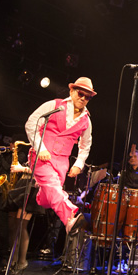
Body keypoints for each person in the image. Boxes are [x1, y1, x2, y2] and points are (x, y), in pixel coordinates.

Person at [25, 77, 95, 236]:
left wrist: (78, 164)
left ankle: (41, 194)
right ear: (72, 91)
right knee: (52, 186)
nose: (83, 98)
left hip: (62, 162)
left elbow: (86, 145)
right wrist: (40, 148)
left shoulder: (86, 120)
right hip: (41, 157)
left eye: (87, 97)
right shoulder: (54, 105)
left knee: (48, 198)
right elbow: (31, 123)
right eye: (81, 94)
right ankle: (70, 219)